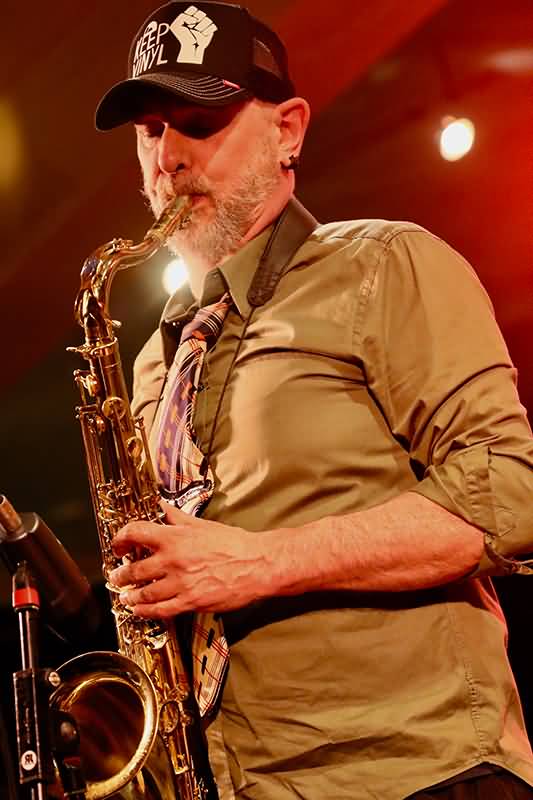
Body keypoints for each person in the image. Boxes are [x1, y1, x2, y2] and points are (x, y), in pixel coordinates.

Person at [94, 2, 533, 798]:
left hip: (418, 772)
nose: (169, 159)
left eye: (200, 122)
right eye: (150, 131)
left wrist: (261, 561)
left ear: (288, 129)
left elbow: (511, 491)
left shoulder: (384, 263)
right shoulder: (155, 359)